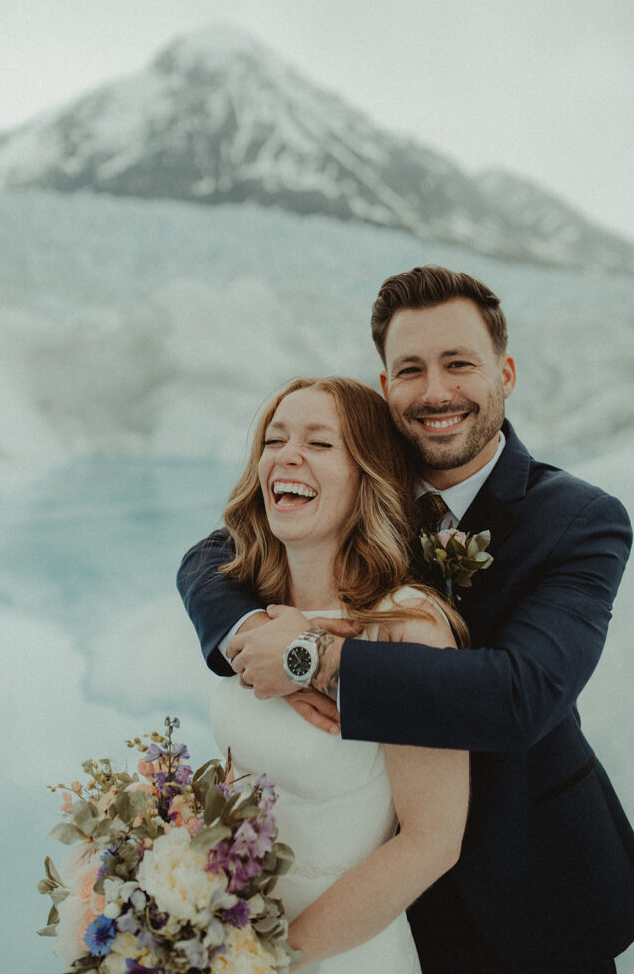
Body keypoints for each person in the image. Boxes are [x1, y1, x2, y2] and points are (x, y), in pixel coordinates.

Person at [178, 267, 634, 973]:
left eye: (459, 365)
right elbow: (214, 553)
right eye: (409, 369)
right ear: (386, 385)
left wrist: (310, 659)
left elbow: (522, 695)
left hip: (529, 883)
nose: (435, 392)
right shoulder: (357, 484)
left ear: (504, 373)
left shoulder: (577, 520)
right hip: (365, 892)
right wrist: (244, 633)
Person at [205, 375, 470, 972]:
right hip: (228, 937)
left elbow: (432, 842)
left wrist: (271, 958)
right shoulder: (248, 609)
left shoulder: (406, 624)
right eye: (275, 439)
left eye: (320, 444)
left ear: (367, 476)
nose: (287, 455)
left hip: (340, 952)